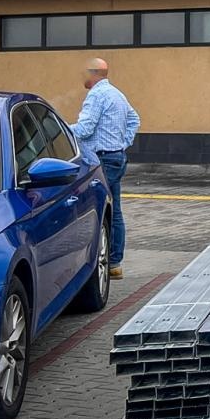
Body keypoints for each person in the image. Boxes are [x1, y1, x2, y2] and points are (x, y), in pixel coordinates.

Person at [71, 58, 140, 279]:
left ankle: (94, 261)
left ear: (93, 73)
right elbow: (134, 119)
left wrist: (58, 129)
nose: (81, 77)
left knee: (97, 211)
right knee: (115, 210)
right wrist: (122, 142)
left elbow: (84, 129)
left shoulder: (96, 95)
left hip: (100, 160)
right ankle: (114, 263)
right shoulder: (117, 94)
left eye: (84, 73)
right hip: (116, 158)